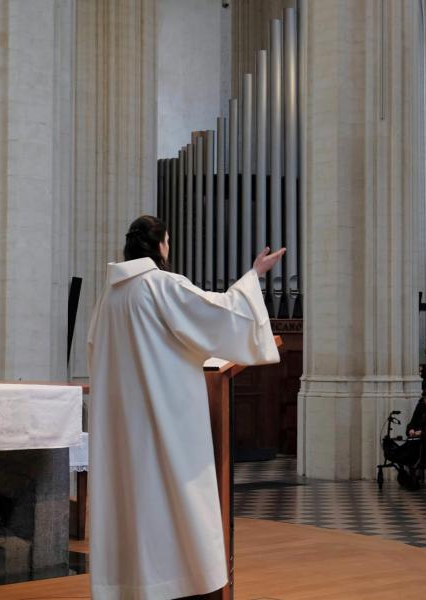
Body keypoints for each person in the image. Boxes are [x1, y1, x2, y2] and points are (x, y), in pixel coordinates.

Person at [88, 215, 284, 598]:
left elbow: (97, 351)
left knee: (133, 503)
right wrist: (254, 276)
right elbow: (221, 313)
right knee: (171, 503)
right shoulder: (161, 285)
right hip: (165, 422)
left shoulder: (109, 296)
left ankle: (129, 586)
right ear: (161, 244)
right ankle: (176, 584)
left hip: (125, 424)